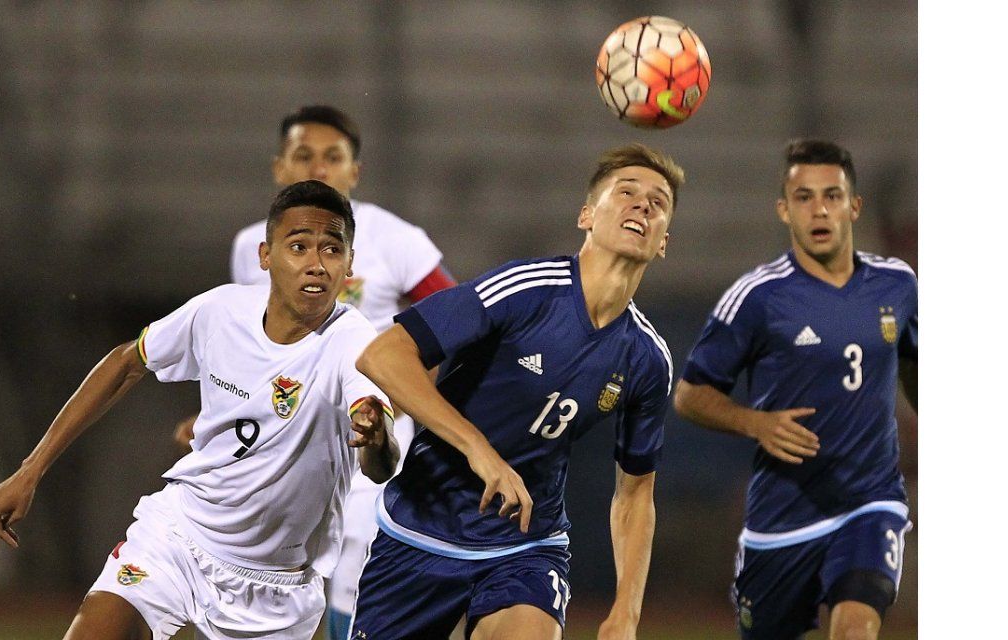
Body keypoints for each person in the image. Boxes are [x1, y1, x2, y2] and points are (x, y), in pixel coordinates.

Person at [0, 180, 401, 640]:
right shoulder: (219, 311)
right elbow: (126, 363)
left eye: (332, 250)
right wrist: (30, 470)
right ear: (266, 256)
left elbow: (380, 466)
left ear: (349, 265)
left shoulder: (356, 341)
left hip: (276, 589)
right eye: (299, 246)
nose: (316, 265)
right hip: (178, 540)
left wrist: (377, 436)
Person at [348, 143, 683, 640]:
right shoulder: (525, 290)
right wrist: (479, 451)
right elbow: (383, 355)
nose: (644, 205)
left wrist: (626, 614)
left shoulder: (647, 359)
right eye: (627, 192)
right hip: (421, 529)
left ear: (662, 243)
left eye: (658, 202)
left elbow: (635, 493)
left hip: (526, 545)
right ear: (587, 215)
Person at [174, 104, 456, 640]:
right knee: (274, 579)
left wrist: (417, 399)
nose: (318, 169)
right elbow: (248, 346)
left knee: (355, 564)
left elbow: (454, 324)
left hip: (366, 428)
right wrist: (214, 413)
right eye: (304, 156)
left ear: (355, 171)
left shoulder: (397, 240)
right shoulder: (250, 247)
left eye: (333, 157)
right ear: (280, 167)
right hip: (278, 442)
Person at [672, 139, 917, 640]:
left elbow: (915, 368)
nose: (820, 209)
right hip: (781, 519)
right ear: (785, 211)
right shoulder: (757, 296)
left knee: (855, 628)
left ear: (854, 206)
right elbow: (690, 395)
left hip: (869, 505)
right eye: (804, 197)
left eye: (832, 195)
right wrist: (755, 422)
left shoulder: (898, 285)